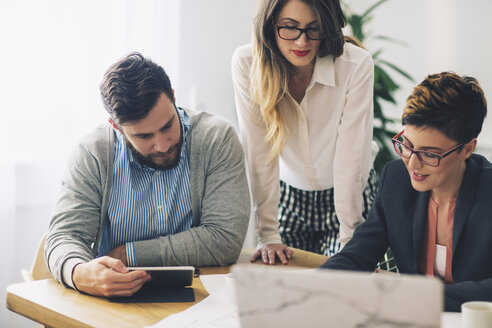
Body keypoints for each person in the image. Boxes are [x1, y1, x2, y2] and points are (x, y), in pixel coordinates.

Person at [45, 52, 250, 297]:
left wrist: (127, 254)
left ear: (174, 98)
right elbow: (65, 236)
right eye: (144, 136)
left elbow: (224, 239)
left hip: (202, 300)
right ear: (116, 126)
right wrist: (79, 273)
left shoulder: (217, 139)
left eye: (167, 126)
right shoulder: (93, 153)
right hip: (114, 299)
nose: (162, 145)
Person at [320, 72, 491, 312]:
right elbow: (358, 255)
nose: (412, 164)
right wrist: (310, 284)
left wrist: (418, 297)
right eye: (407, 145)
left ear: (467, 149)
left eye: (430, 154)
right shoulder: (396, 179)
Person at [231, 0, 377, 265]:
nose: (302, 42)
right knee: (285, 288)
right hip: (288, 197)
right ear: (269, 25)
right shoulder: (246, 63)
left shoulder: (355, 65)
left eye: (314, 28)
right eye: (289, 27)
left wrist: (350, 242)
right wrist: (267, 234)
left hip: (349, 194)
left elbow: (350, 160)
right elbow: (258, 152)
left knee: (347, 288)